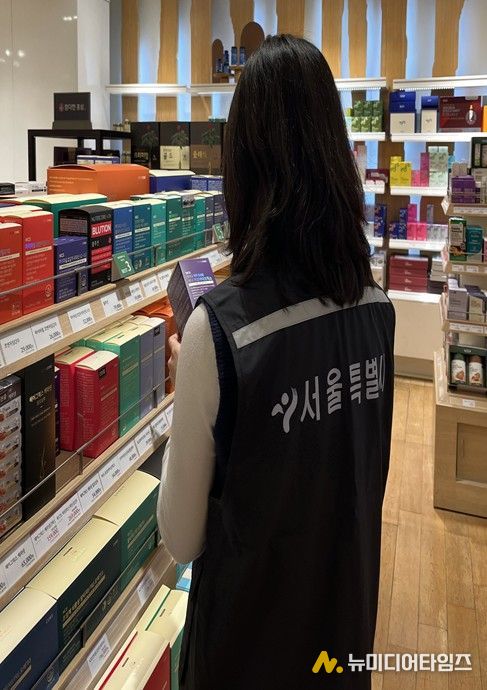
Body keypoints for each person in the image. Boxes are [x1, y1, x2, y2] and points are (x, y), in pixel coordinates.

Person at [158, 34, 395, 690]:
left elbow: (181, 538)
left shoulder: (219, 331)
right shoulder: (376, 308)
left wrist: (186, 392)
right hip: (342, 641)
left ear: (244, 162)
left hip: (245, 654)